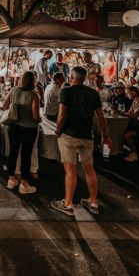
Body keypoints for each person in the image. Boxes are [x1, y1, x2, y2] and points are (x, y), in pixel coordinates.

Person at [51, 66, 111, 216]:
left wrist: (58, 129)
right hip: (86, 135)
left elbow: (61, 115)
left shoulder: (66, 91)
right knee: (89, 169)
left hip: (69, 135)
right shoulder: (93, 93)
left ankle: (68, 204)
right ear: (84, 78)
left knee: (70, 170)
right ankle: (93, 202)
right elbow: (101, 117)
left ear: (71, 77)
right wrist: (105, 136)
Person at [2, 71, 40, 194]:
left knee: (13, 152)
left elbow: (4, 106)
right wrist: (39, 119)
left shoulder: (14, 90)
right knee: (26, 155)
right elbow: (35, 116)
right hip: (29, 129)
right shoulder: (34, 96)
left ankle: (11, 179)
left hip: (13, 127)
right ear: (33, 81)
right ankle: (24, 184)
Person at [122, 86, 139, 163]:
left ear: (133, 92)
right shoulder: (135, 100)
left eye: (127, 93)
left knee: (127, 134)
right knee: (121, 131)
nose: (126, 95)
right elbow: (129, 112)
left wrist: (120, 113)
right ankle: (131, 152)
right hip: (136, 125)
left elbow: (133, 115)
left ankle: (134, 154)